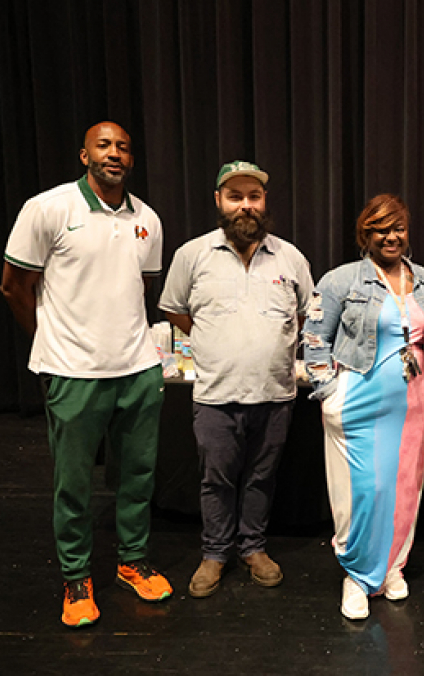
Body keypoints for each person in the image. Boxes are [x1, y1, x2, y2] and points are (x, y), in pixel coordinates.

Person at [0, 121, 172, 628]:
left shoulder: (148, 219)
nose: (114, 153)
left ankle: (132, 562)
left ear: (131, 159)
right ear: (84, 155)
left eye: (123, 147)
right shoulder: (48, 208)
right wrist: (49, 341)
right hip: (72, 372)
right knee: (73, 486)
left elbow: (139, 286)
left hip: (138, 369)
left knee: (138, 477)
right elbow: (13, 286)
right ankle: (76, 577)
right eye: (104, 145)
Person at [158, 161, 314, 598]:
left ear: (264, 202)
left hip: (275, 394)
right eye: (235, 197)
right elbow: (174, 309)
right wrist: (213, 339)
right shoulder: (192, 255)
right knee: (217, 480)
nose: (246, 205)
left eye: (254, 196)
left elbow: (307, 313)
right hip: (216, 395)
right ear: (218, 202)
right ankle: (215, 553)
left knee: (262, 477)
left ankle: (253, 548)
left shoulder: (290, 257)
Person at [303, 194, 424, 620]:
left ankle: (392, 568)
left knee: (406, 490)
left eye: (398, 227)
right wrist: (329, 393)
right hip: (359, 403)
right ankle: (356, 574)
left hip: (416, 403)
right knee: (363, 492)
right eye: (380, 229)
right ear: (365, 234)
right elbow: (314, 338)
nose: (391, 236)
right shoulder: (340, 280)